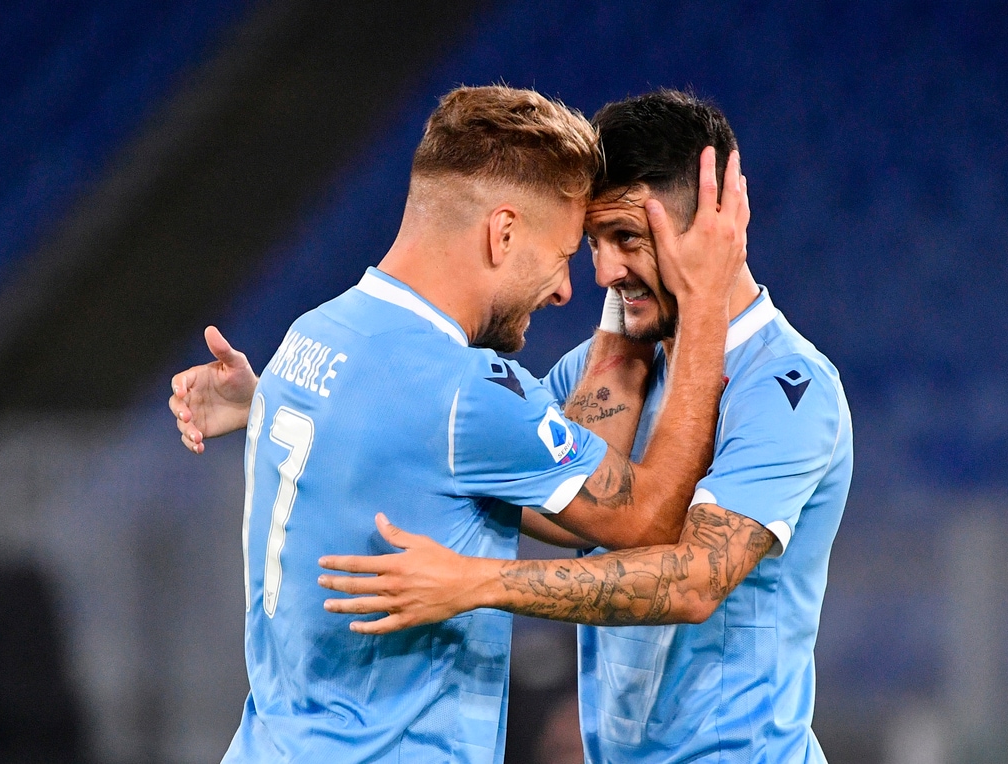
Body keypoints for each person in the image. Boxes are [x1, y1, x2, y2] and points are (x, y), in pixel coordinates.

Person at [167, 84, 750, 763]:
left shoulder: (316, 334)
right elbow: (646, 517)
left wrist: (262, 399)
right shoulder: (463, 392)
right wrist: (703, 299)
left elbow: (570, 516)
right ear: (503, 234)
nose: (567, 288)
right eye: (563, 254)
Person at [317, 91, 853, 763]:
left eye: (626, 238)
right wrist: (298, 400)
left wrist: (475, 582)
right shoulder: (599, 367)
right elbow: (515, 485)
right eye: (593, 244)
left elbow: (695, 582)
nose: (603, 272)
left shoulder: (787, 389)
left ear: (707, 233)